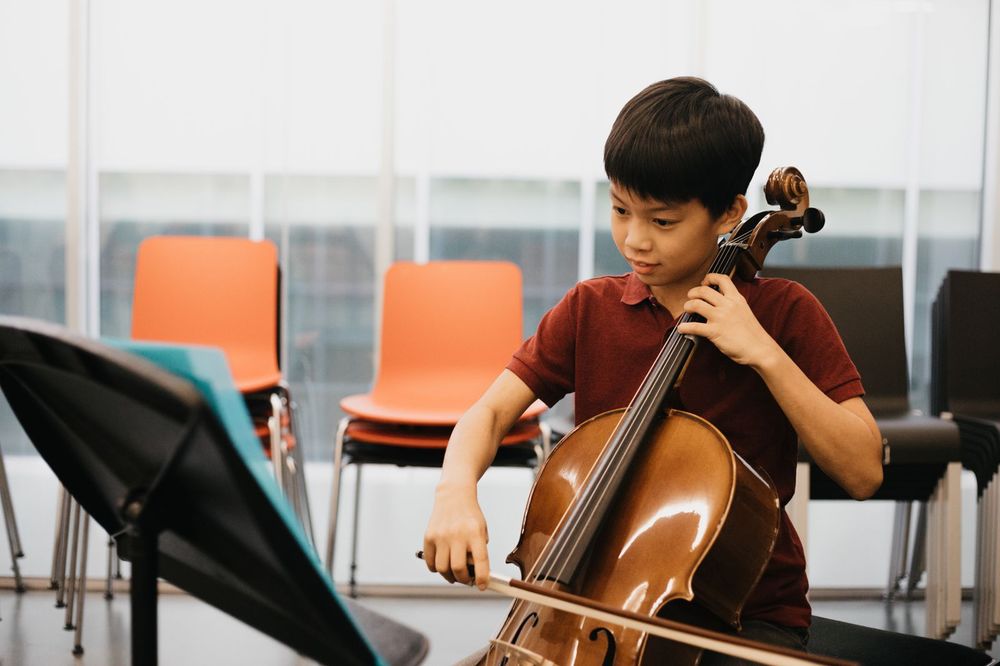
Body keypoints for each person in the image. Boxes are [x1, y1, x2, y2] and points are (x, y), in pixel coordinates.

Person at [422, 76, 884, 663]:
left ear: (731, 214)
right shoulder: (589, 309)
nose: (634, 240)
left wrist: (764, 354)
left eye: (662, 222)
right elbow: (488, 414)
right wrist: (454, 490)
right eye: (620, 210)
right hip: (586, 609)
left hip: (741, 619)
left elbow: (864, 469)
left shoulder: (785, 313)